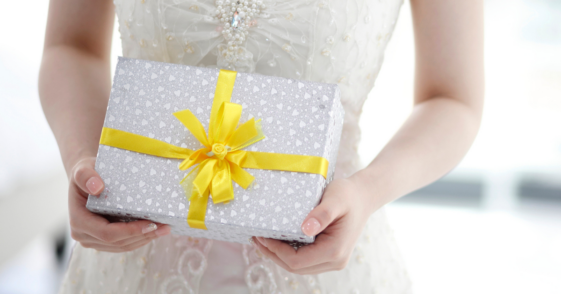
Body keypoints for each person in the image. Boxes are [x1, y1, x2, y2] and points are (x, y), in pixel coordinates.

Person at [39, 0, 483, 293]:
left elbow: (452, 99)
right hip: (130, 263)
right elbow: (70, 45)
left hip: (328, 260)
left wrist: (366, 193)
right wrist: (83, 156)